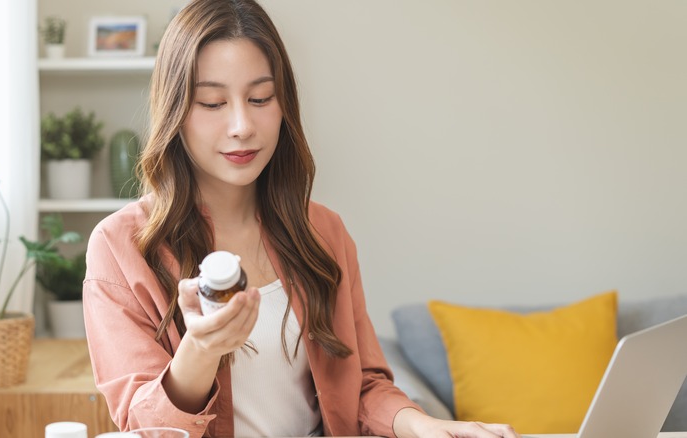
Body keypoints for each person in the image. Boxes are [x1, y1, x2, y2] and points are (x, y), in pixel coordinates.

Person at [83, 1, 519, 437]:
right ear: (176, 111)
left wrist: (423, 426)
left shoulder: (323, 233)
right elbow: (143, 426)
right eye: (212, 102)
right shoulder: (120, 248)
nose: (242, 125)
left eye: (260, 98)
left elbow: (363, 386)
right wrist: (200, 349)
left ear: (283, 103)